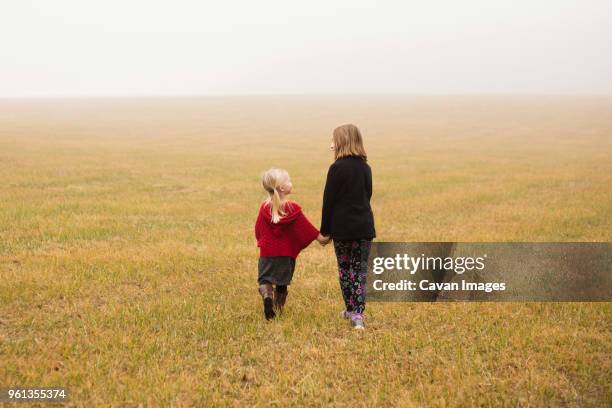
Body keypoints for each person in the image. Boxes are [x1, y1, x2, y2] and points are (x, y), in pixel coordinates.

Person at [320, 124, 376, 330]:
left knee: (345, 270)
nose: (331, 145)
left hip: (342, 230)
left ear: (341, 142)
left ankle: (351, 310)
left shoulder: (336, 169)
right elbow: (367, 195)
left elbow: (329, 202)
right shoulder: (365, 168)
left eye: (333, 140)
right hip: (363, 228)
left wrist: (325, 232)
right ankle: (357, 314)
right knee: (359, 271)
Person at [255, 168, 329, 320]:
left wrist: (263, 243)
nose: (290, 182)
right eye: (288, 180)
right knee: (281, 284)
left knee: (265, 280)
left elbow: (258, 230)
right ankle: (277, 308)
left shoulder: (264, 208)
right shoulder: (292, 208)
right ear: (282, 188)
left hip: (267, 253)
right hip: (285, 255)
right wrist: (327, 235)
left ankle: (267, 295)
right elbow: (311, 232)